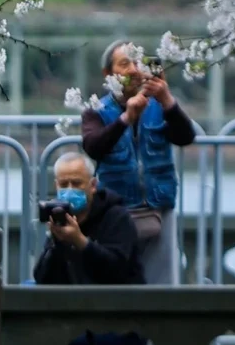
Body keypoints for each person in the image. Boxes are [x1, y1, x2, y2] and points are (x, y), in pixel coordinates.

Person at [79, 40, 197, 285]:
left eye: (137, 62)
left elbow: (185, 136)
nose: (133, 69)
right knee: (115, 279)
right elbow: (93, 147)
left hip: (159, 205)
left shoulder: (160, 105)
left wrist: (167, 99)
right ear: (108, 74)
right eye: (124, 64)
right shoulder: (96, 110)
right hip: (116, 210)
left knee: (161, 285)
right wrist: (125, 119)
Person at [31, 148, 143, 285]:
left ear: (93, 185)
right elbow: (42, 279)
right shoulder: (61, 218)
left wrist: (80, 241)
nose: (70, 190)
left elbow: (117, 271)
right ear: (56, 186)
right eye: (64, 184)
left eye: (77, 183)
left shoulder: (116, 217)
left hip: (115, 302)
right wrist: (58, 244)